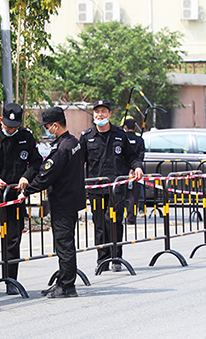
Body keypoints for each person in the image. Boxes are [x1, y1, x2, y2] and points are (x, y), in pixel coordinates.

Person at [0, 103, 42, 297]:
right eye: (7, 125)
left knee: (12, 240)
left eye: (14, 126)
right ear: (1, 120)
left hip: (14, 196)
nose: (10, 129)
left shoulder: (26, 137)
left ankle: (11, 281)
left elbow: (36, 162)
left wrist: (26, 176)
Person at [18, 107, 86, 298]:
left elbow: (46, 176)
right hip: (71, 199)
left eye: (48, 127)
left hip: (63, 202)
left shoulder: (61, 148)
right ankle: (63, 280)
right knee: (65, 244)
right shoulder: (74, 142)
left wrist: (26, 191)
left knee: (64, 245)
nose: (47, 130)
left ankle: (66, 286)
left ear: (55, 125)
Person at [79, 100, 144, 273]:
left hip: (116, 189)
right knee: (100, 224)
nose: (100, 115)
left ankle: (116, 257)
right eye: (97, 112)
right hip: (96, 189)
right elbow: (79, 162)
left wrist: (137, 166)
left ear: (110, 114)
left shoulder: (119, 135)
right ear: (93, 114)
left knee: (114, 221)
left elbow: (132, 156)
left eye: (103, 111)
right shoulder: (86, 136)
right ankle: (102, 260)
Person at [123, 118, 145, 224]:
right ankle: (131, 217)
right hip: (137, 171)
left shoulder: (122, 138)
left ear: (125, 127)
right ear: (135, 127)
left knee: (120, 195)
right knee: (134, 196)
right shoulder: (140, 140)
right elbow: (141, 155)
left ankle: (118, 216)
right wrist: (136, 167)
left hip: (123, 172)